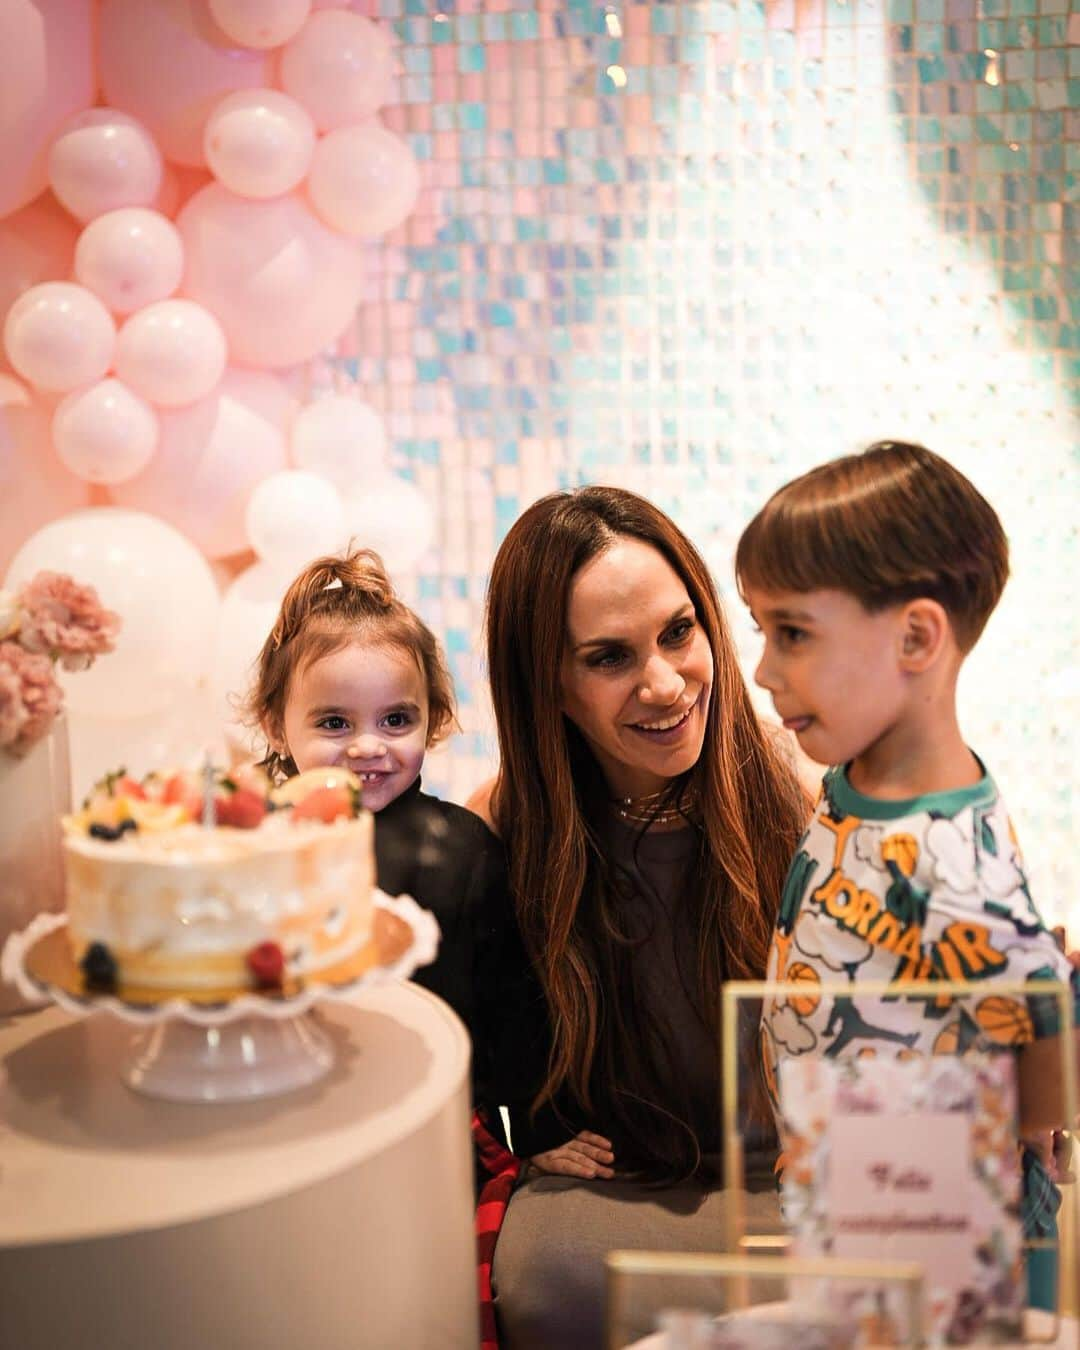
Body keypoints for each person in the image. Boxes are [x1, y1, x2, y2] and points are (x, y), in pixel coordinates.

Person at [735, 439, 1080, 1312]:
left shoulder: (950, 861)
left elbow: (1047, 1014)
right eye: (763, 632)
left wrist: (1038, 1122)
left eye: (793, 634)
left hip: (953, 1231)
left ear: (918, 636)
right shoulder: (858, 785)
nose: (765, 670)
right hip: (860, 1197)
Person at [474, 486, 809, 1349]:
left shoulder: (806, 796)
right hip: (610, 1194)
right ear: (547, 684)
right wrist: (523, 1127)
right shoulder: (500, 833)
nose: (665, 682)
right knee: (550, 1279)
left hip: (800, 1184)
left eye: (677, 632)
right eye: (609, 657)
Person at [245, 548, 511, 1052]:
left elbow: (510, 1006)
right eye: (334, 723)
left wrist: (539, 1125)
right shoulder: (250, 841)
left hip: (429, 1098)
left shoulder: (465, 848)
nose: (368, 747)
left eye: (395, 720)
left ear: (431, 718)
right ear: (276, 727)